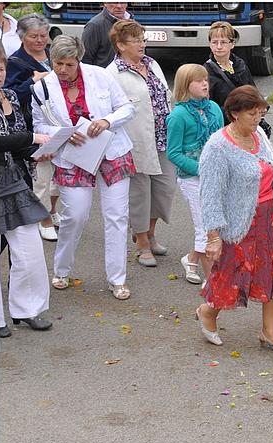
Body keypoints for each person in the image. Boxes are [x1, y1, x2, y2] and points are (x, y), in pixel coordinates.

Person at [31, 35, 136, 300]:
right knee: (75, 216)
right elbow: (38, 126)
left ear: (79, 59)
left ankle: (117, 278)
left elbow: (126, 108)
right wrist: (62, 132)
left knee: (117, 216)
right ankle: (62, 269)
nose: (63, 70)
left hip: (112, 151)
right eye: (58, 64)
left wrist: (106, 120)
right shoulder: (41, 89)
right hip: (72, 156)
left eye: (69, 64)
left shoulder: (100, 75)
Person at [196, 85, 273, 354]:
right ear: (234, 114)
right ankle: (207, 312)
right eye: (252, 113)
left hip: (269, 217)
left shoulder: (259, 134)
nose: (258, 118)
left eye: (260, 112)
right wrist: (213, 236)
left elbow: (268, 169)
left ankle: (269, 332)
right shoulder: (217, 147)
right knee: (231, 276)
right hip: (237, 224)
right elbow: (210, 195)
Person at [106, 19, 175, 268]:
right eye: (136, 40)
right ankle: (142, 243)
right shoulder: (112, 75)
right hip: (135, 143)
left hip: (164, 138)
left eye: (142, 39)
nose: (141, 44)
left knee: (164, 190)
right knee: (140, 194)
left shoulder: (152, 64)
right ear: (120, 45)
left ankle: (150, 232)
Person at [0, 41, 53, 337]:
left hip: (15, 182)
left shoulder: (9, 96)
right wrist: (33, 137)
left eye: (1, 67)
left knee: (29, 252)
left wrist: (39, 149)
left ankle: (27, 310)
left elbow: (18, 142)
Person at [166, 63, 223, 285]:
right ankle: (212, 282)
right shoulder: (178, 115)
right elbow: (173, 153)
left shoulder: (215, 108)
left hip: (216, 175)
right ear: (185, 85)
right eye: (198, 81)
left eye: (206, 80)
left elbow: (221, 140)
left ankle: (191, 259)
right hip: (192, 178)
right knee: (206, 227)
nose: (204, 84)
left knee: (217, 224)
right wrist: (201, 169)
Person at [4, 13, 57, 240]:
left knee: (58, 172)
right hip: (32, 124)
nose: (40, 40)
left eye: (43, 36)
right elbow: (9, 95)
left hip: (57, 121)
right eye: (34, 36)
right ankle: (42, 218)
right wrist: (32, 81)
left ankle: (53, 212)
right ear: (22, 37)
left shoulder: (54, 56)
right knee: (42, 174)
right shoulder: (15, 62)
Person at [204, 21, 271, 137]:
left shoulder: (240, 64)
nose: (219, 46)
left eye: (223, 42)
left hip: (247, 124)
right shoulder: (206, 72)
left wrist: (262, 106)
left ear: (232, 44)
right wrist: (237, 112)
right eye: (214, 42)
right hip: (225, 129)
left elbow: (252, 90)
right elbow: (208, 107)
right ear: (209, 44)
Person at [82, 3, 130, 68]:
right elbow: (85, 59)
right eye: (114, 2)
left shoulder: (131, 21)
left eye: (122, 2)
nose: (119, 6)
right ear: (105, 3)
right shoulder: (94, 26)